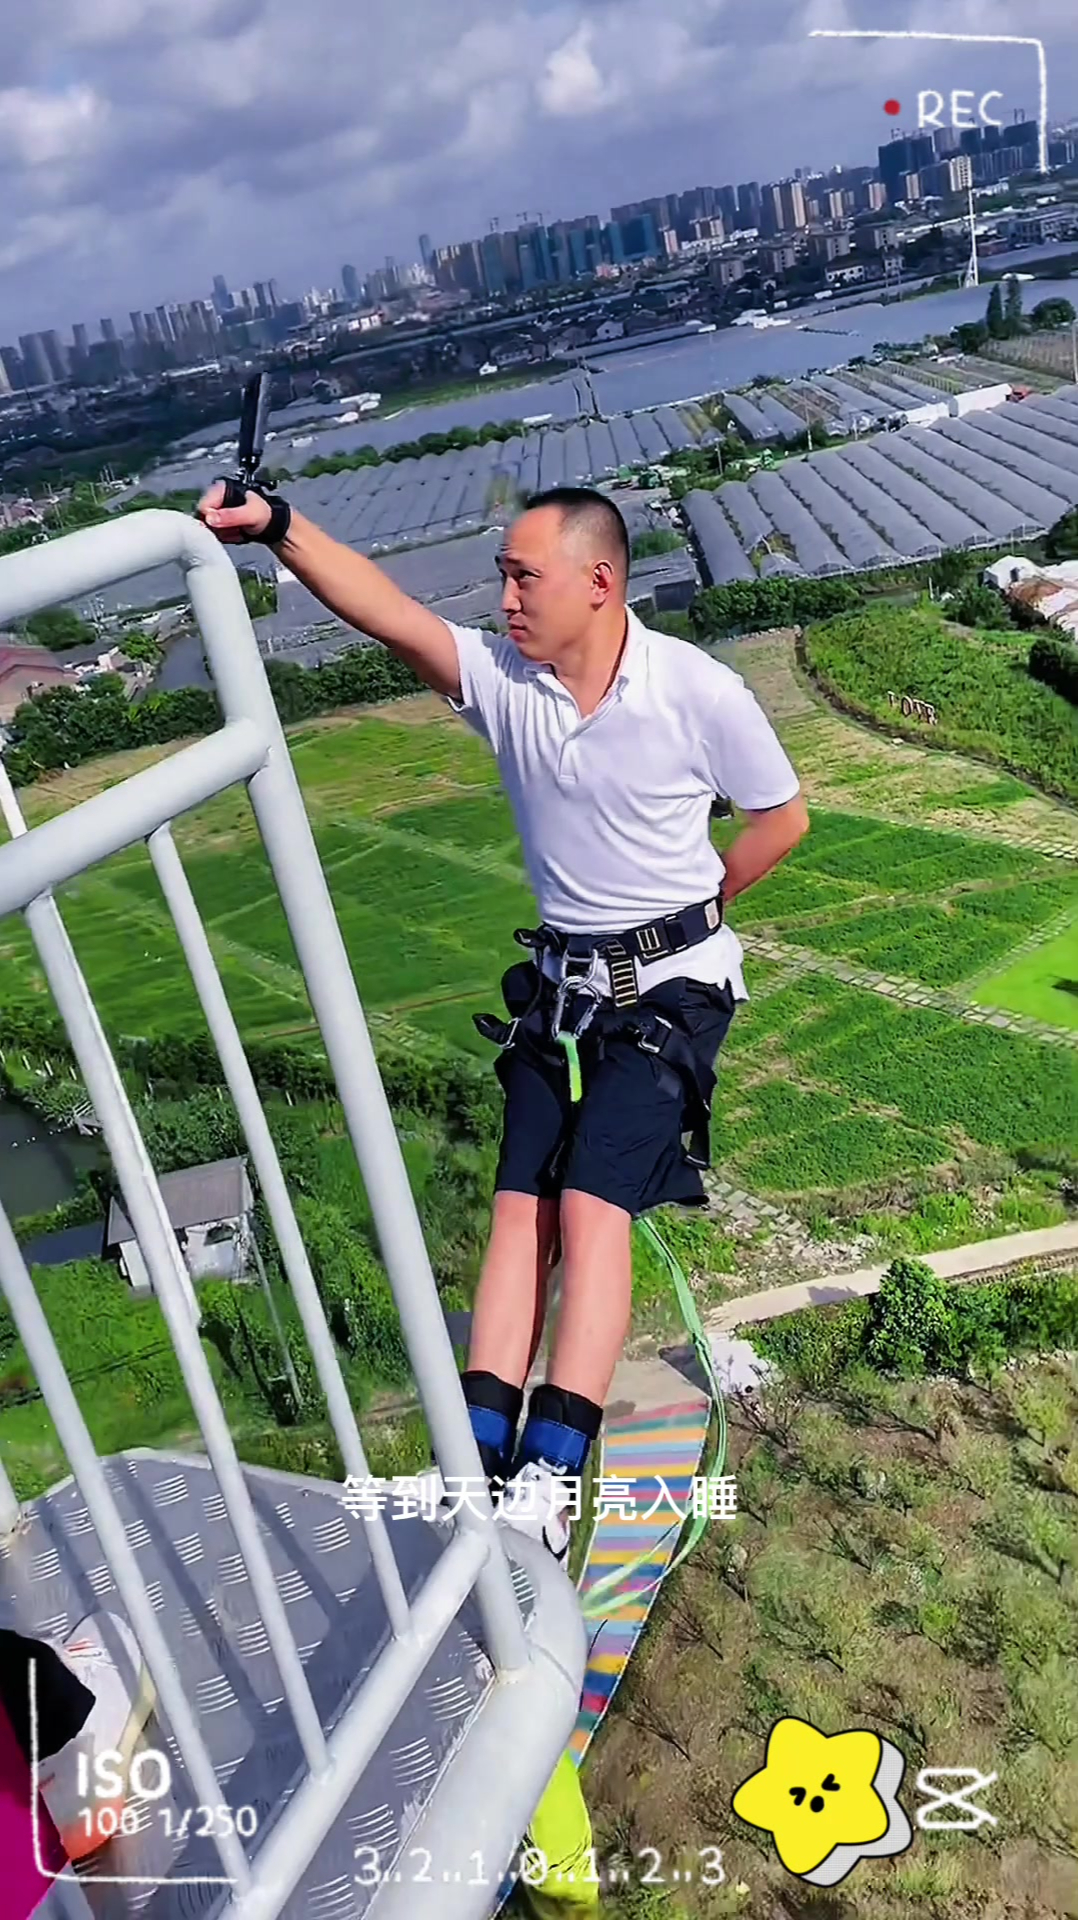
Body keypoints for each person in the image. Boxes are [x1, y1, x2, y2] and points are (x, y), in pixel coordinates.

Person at [196, 476, 808, 1562]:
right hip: (561, 988)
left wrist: (708, 903)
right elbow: (387, 612)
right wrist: (282, 528)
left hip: (672, 991)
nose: (506, 598)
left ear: (600, 582)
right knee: (518, 1202)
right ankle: (475, 1453)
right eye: (503, 579)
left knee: (591, 1204)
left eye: (524, 576)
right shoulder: (506, 686)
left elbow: (782, 816)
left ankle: (551, 1470)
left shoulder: (695, 691)